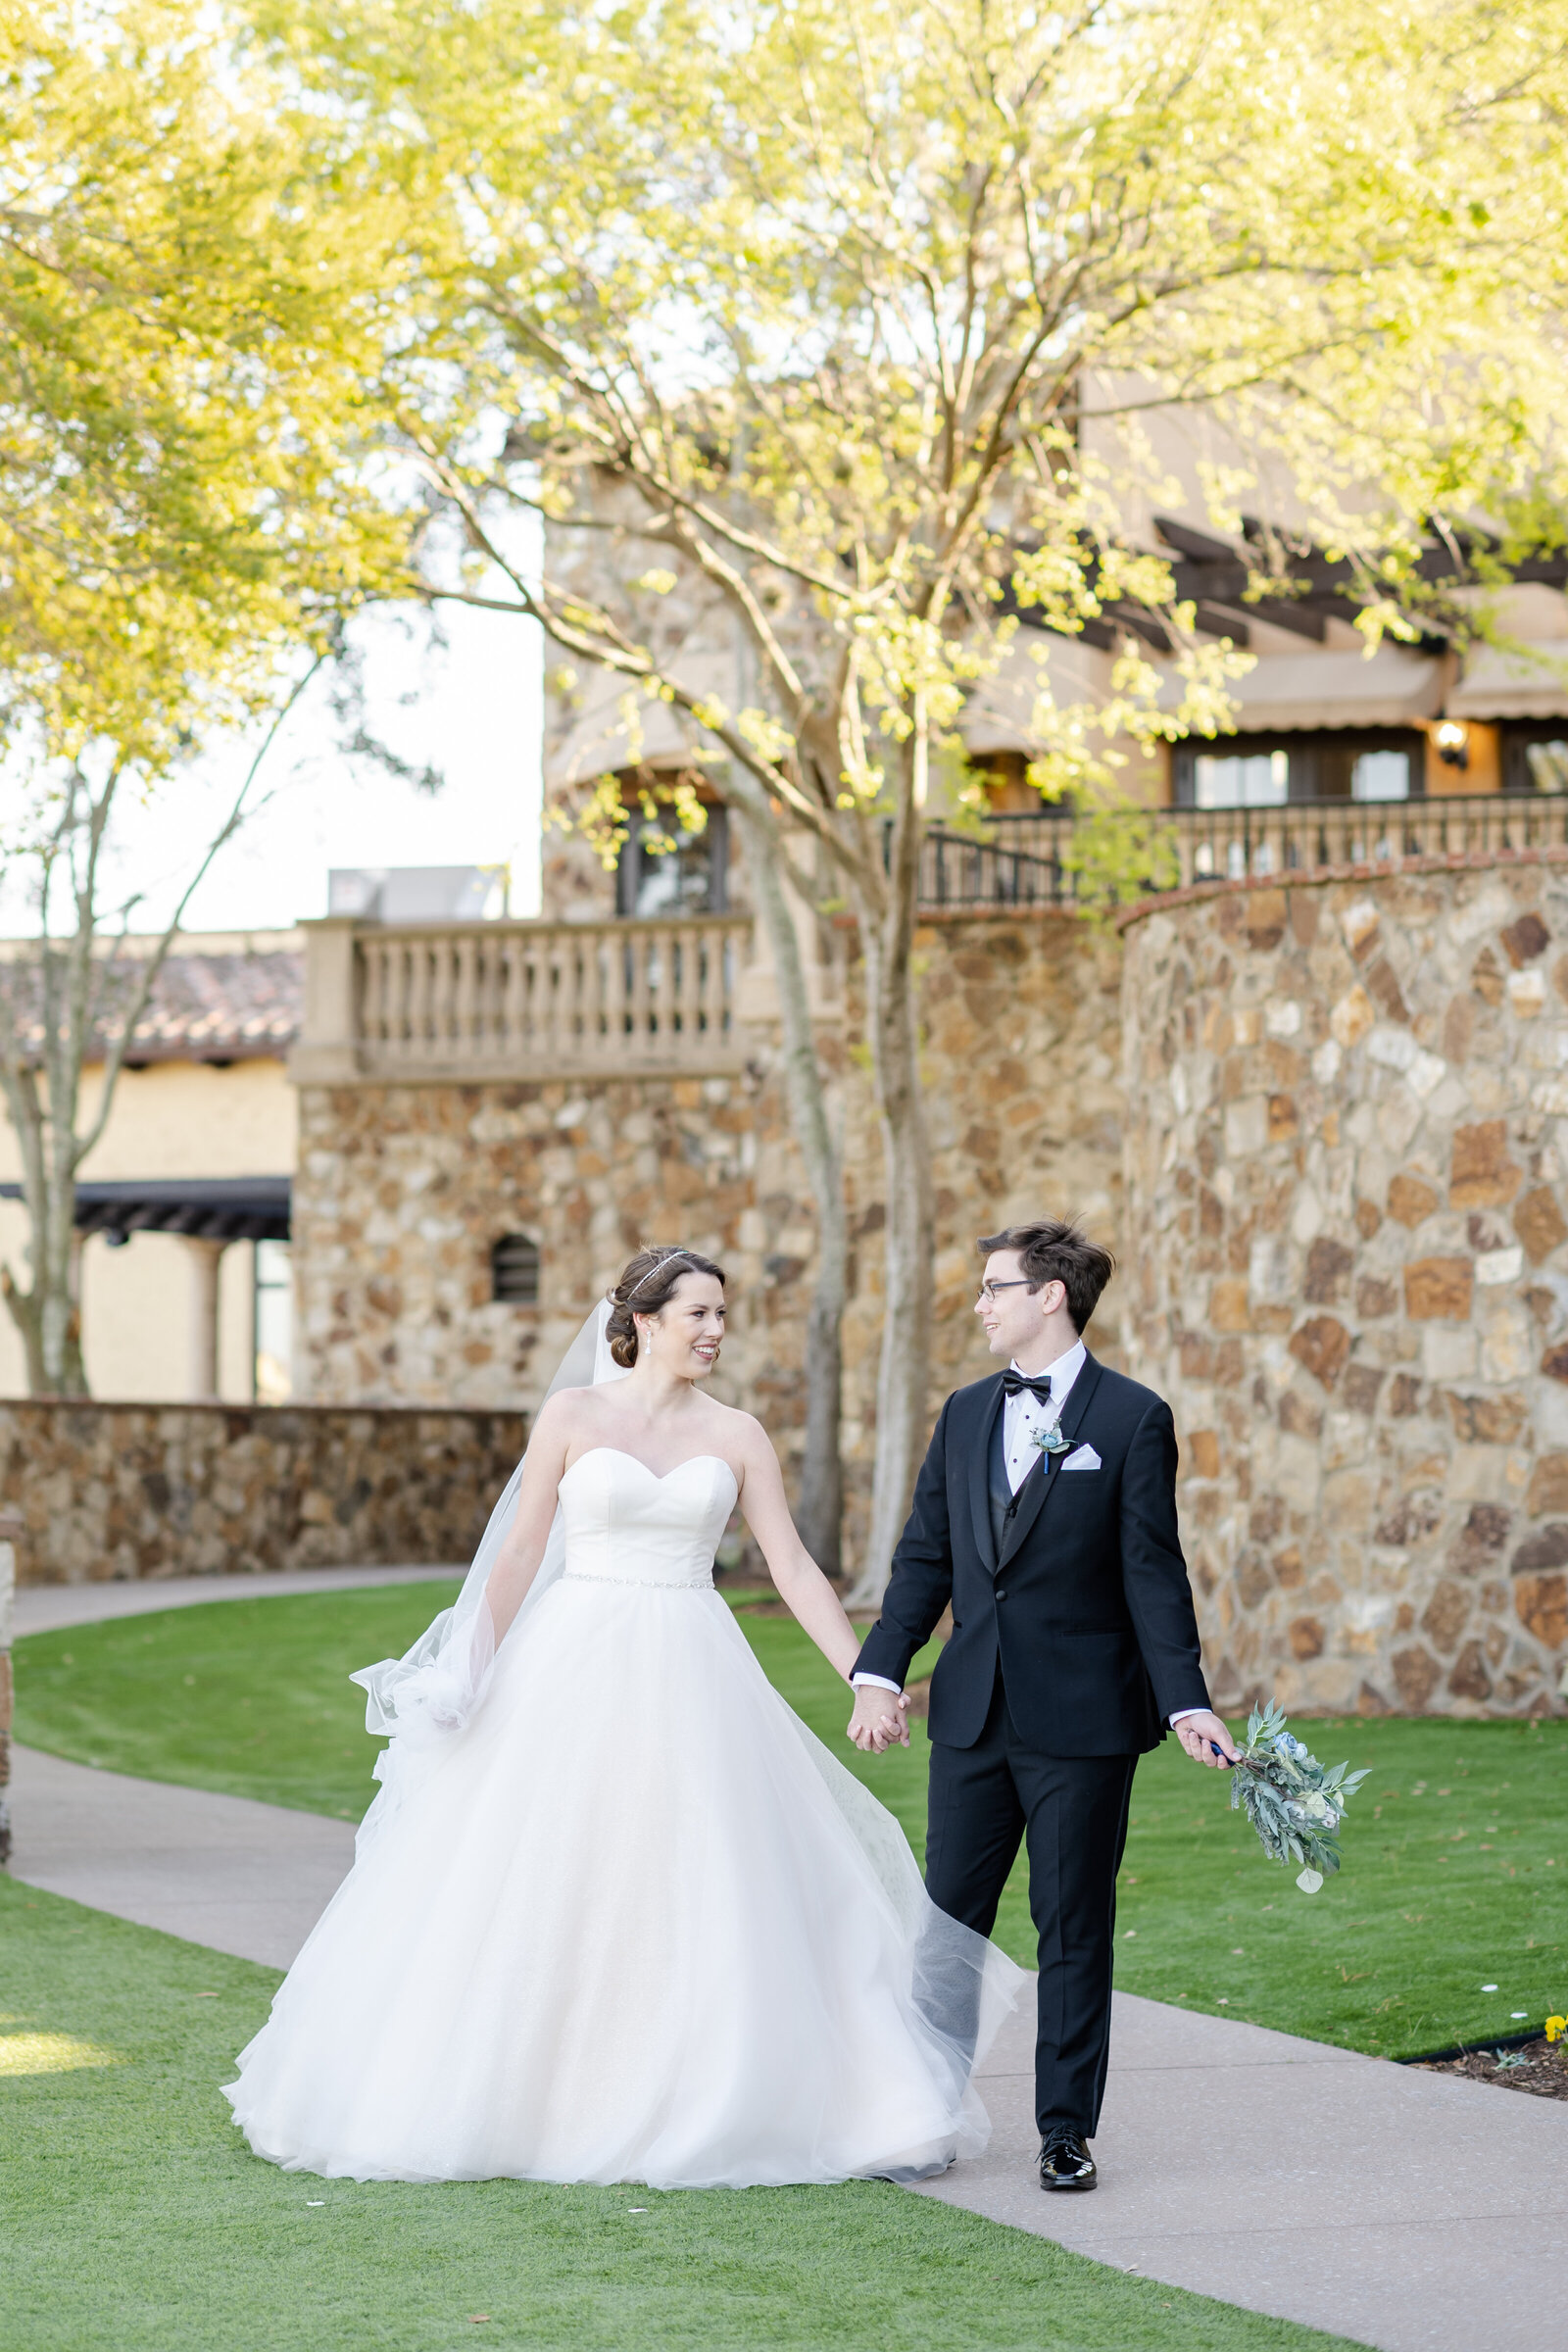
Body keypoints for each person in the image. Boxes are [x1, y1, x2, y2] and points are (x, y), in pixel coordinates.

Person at [224, 1245, 1022, 2188]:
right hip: (570, 1660)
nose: (715, 1331)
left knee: (702, 1874)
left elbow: (795, 1569)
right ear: (644, 1322)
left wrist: (867, 1677)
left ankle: (719, 2091)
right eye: (698, 1315)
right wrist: (462, 1672)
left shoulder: (738, 1436)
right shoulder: (572, 1416)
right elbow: (520, 1553)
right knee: (545, 1871)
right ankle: (526, 2099)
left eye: (722, 1315)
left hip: (693, 1665)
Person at [849, 1219, 1238, 2194]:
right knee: (949, 1924)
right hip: (971, 1714)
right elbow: (925, 1557)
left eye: (994, 1287)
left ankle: (1065, 2132)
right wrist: (880, 1671)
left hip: (1084, 1722)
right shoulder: (964, 1411)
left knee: (1073, 1926)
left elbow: (1153, 1575)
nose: (979, 1304)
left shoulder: (1132, 1419)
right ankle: (925, 2115)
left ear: (1049, 1297)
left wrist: (1186, 1701)